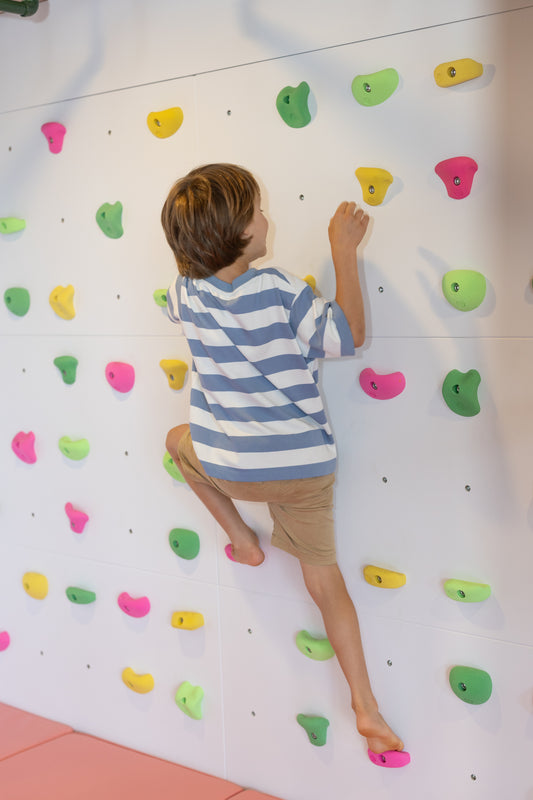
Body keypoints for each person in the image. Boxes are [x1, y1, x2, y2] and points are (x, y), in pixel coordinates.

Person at [161, 163, 404, 758]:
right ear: (242, 234)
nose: (266, 217)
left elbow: (185, 299)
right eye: (258, 210)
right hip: (300, 472)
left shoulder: (182, 294)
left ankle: (242, 539)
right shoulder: (278, 289)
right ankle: (366, 708)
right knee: (325, 582)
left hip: (229, 467)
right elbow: (348, 337)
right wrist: (344, 251)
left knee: (175, 440)